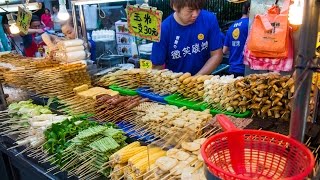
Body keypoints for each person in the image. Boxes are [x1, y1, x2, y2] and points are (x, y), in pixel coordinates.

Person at [151, 0, 223, 75]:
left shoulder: (209, 19)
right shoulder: (163, 29)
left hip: (203, 80)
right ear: (175, 6)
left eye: (198, 9)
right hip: (176, 83)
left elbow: (216, 55)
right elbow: (157, 67)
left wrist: (195, 79)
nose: (195, 14)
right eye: (190, 10)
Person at [223, 1, 250, 77]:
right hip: (246, 69)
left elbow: (224, 50)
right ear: (249, 9)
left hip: (233, 68)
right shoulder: (250, 25)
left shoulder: (232, 26)